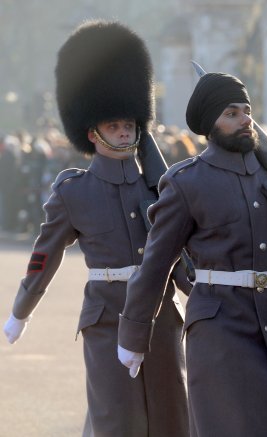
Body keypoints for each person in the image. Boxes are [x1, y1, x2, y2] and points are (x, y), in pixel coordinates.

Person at [116, 71, 267, 437]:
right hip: (221, 331)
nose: (245, 119)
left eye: (246, 111)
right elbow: (155, 265)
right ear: (208, 124)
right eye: (231, 113)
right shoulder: (187, 182)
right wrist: (133, 334)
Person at [2, 20, 190, 436]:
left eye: (129, 125)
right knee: (116, 419)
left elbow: (181, 252)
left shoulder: (159, 186)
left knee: (171, 415)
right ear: (92, 132)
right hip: (107, 316)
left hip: (160, 314)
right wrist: (21, 309)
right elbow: (43, 256)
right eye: (113, 127)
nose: (124, 132)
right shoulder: (75, 190)